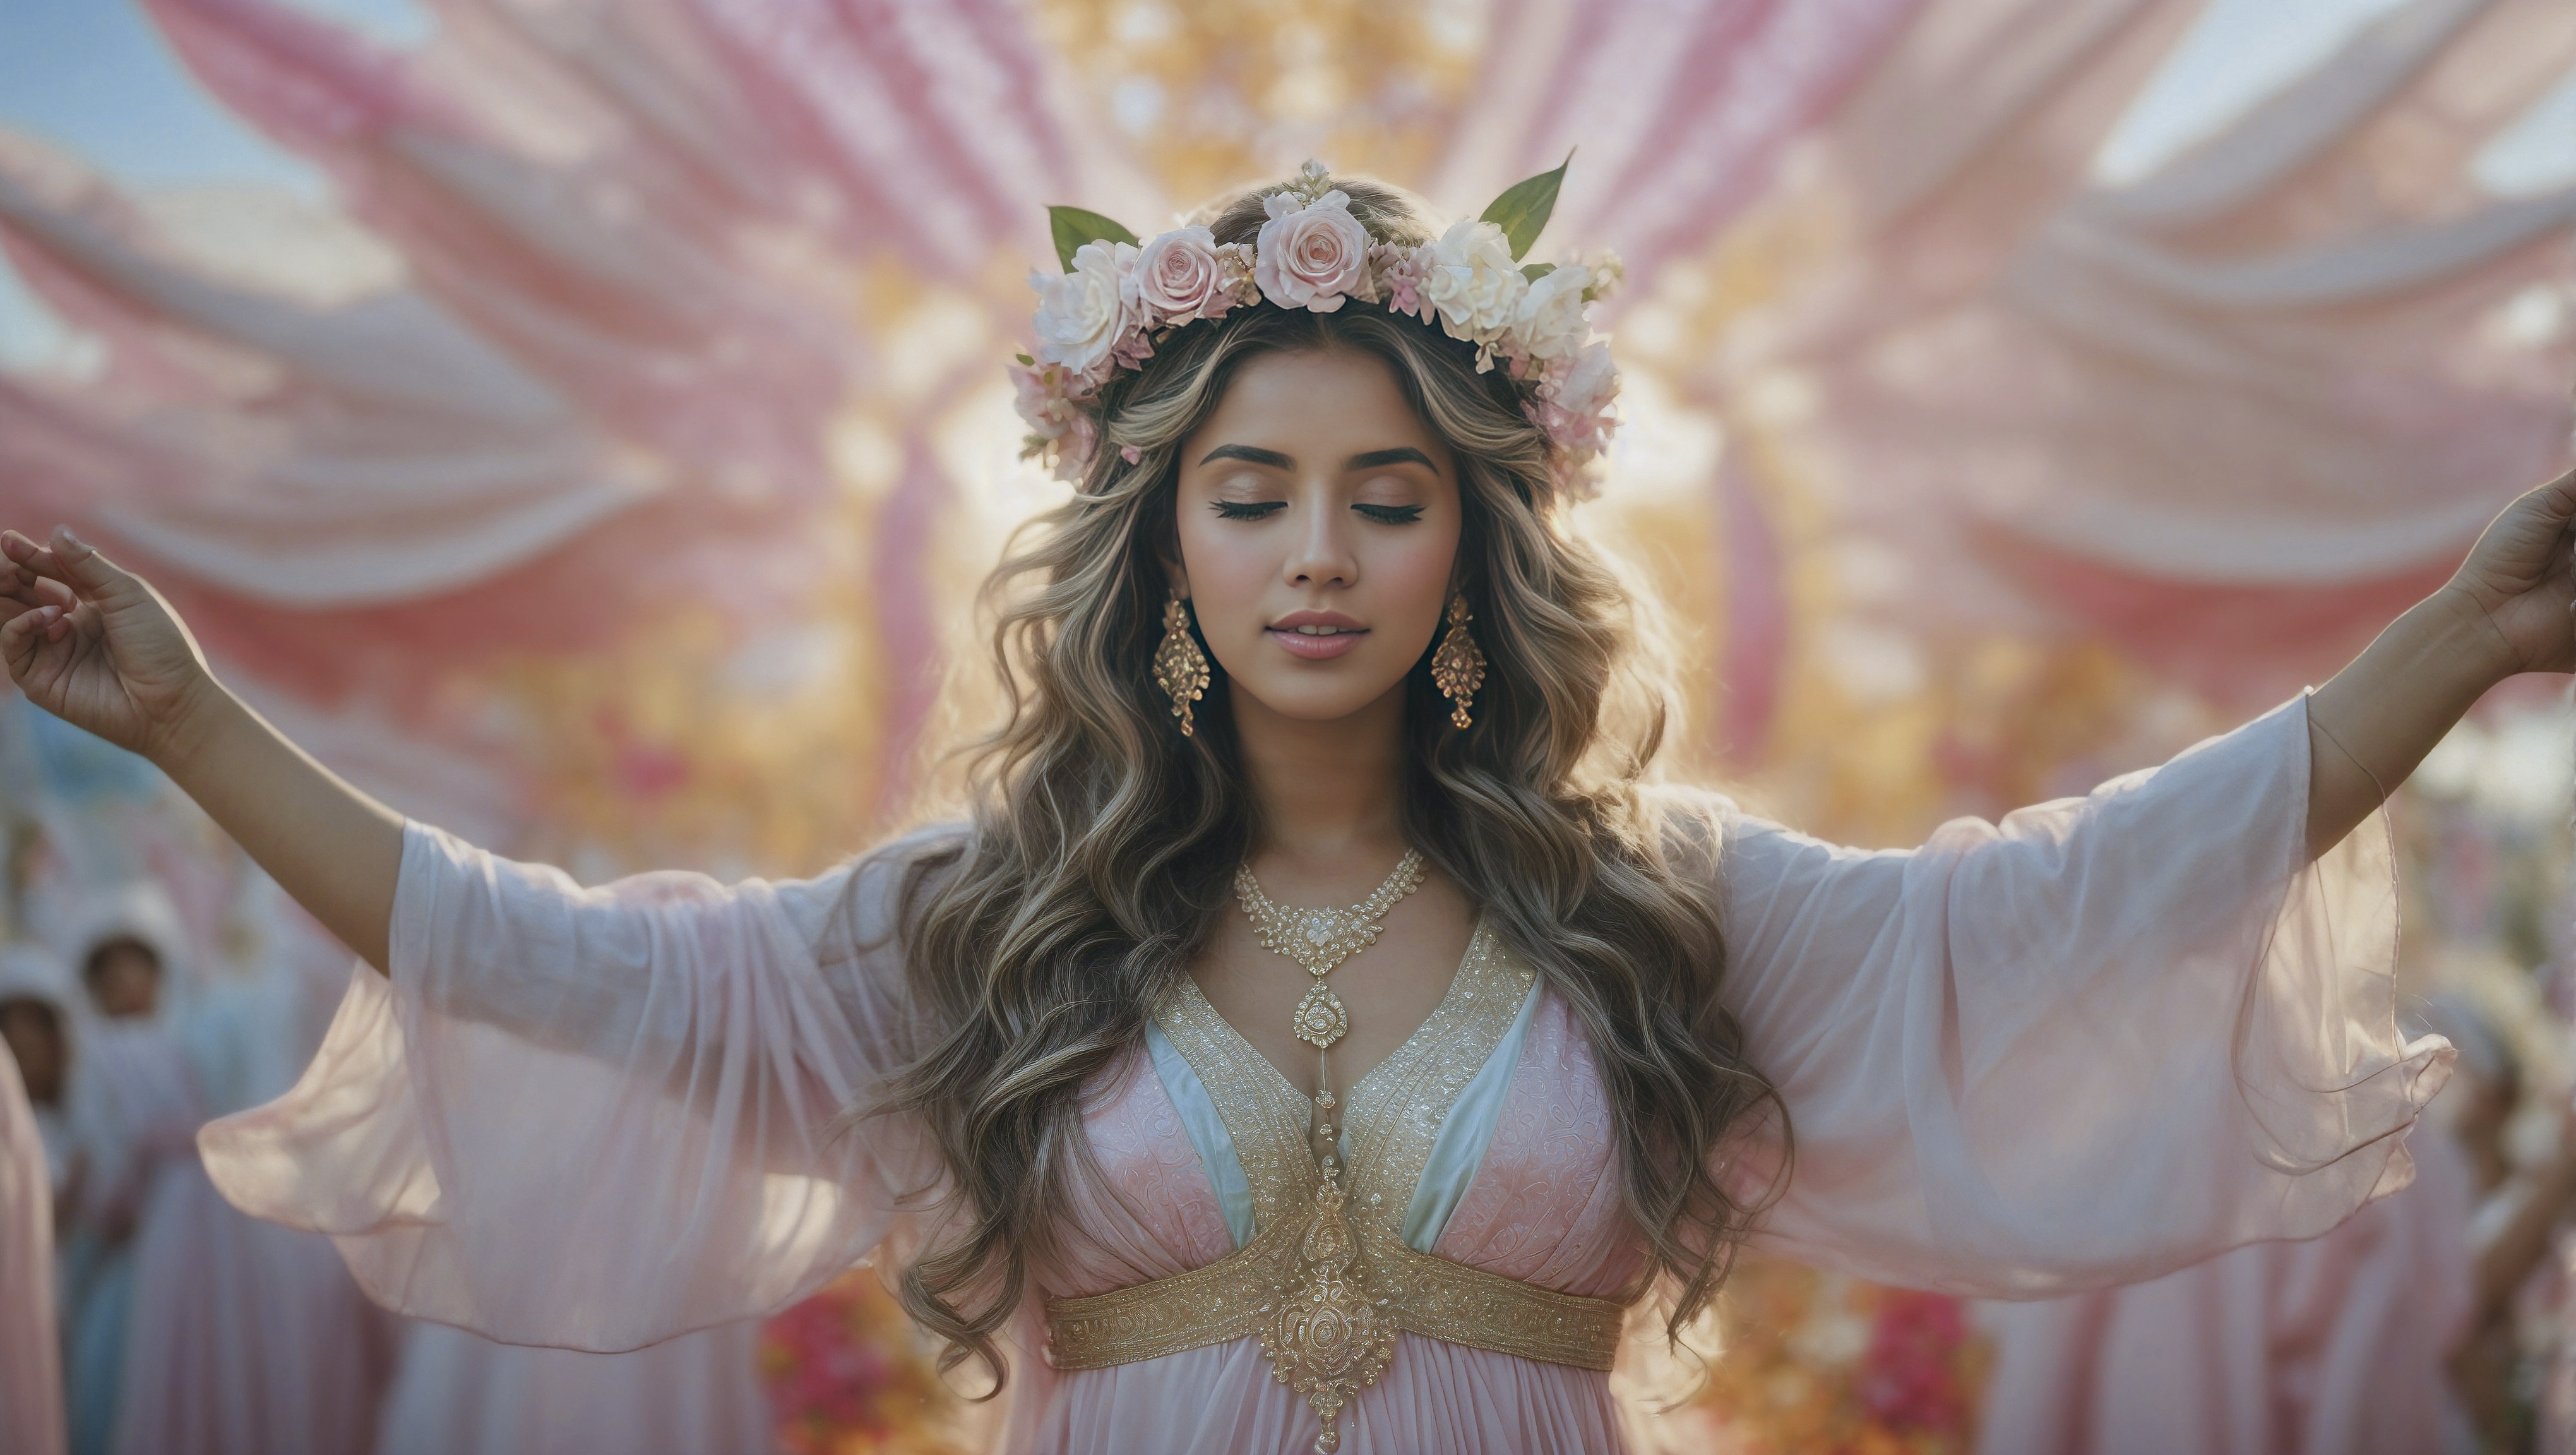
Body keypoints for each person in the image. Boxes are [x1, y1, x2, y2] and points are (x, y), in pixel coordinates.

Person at [0, 162, 2559, 1455]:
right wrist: (201, 720)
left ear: (1473, 531)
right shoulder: (986, 923)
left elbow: (2065, 910)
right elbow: (563, 963)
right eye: (1247, 492)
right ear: (1155, 537)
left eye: (1381, 491)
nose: (1314, 553)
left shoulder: (1649, 911)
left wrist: (2449, 639)